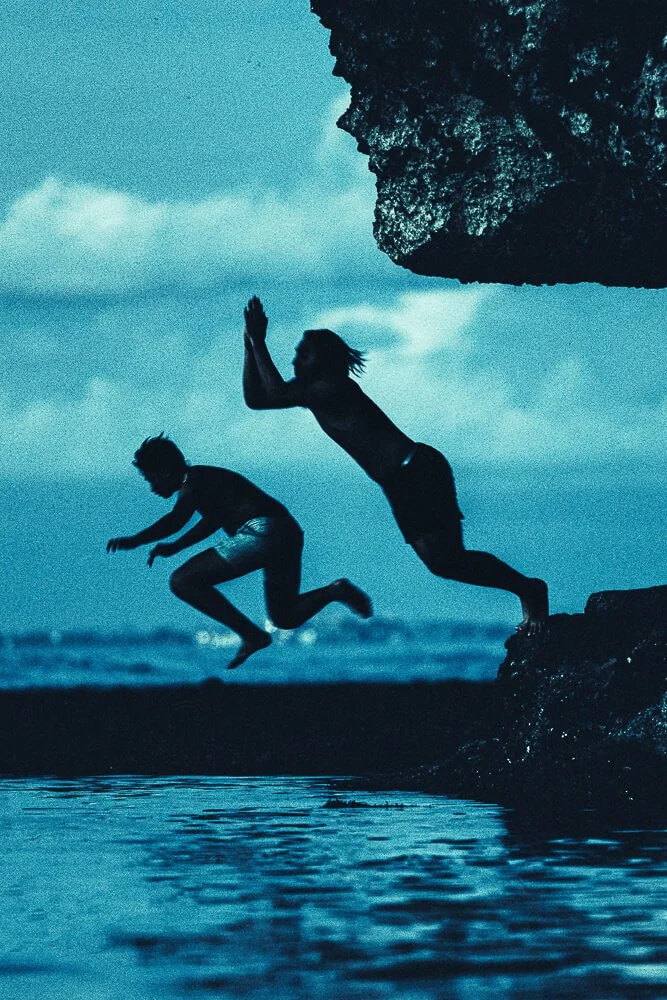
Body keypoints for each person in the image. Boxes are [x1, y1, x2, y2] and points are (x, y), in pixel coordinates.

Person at [242, 296, 548, 633]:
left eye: (304, 353)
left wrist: (258, 340)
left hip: (416, 471)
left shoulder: (330, 387)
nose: (295, 359)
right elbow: (257, 400)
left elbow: (274, 392)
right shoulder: (312, 391)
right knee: (444, 564)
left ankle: (529, 589)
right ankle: (527, 588)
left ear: (324, 360)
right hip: (401, 480)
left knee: (448, 560)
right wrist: (248, 345)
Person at [106, 434, 372, 668]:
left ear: (164, 472)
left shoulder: (192, 480)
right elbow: (212, 521)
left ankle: (251, 635)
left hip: (263, 532)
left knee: (182, 581)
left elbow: (176, 520)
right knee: (285, 616)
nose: (152, 488)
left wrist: (136, 540)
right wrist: (176, 547)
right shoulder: (205, 480)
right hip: (286, 532)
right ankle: (335, 591)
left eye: (151, 479)